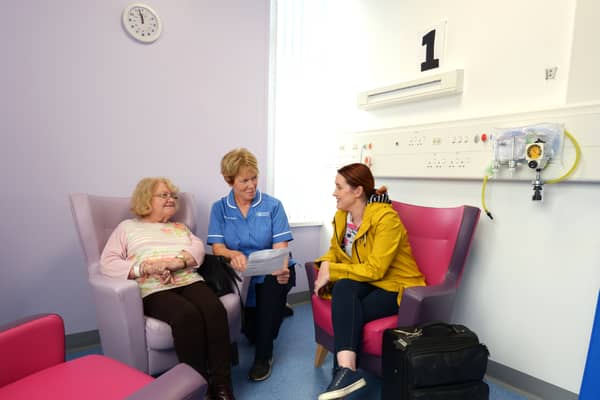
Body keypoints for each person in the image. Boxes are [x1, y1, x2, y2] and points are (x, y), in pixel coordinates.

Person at [100, 177, 235, 400]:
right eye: (164, 195)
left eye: (172, 196)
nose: (171, 199)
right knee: (186, 316)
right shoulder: (127, 228)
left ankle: (222, 385)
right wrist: (144, 267)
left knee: (215, 311)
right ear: (146, 199)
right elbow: (108, 262)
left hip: (188, 280)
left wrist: (177, 263)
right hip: (153, 288)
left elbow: (198, 249)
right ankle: (197, 386)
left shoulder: (180, 228)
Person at [313, 163, 426, 400]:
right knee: (343, 289)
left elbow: (376, 269)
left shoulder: (387, 219)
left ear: (357, 191)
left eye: (338, 187)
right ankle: (347, 372)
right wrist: (325, 265)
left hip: (397, 286)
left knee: (347, 310)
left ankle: (342, 375)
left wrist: (331, 270)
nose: (334, 192)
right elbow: (334, 251)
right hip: (369, 282)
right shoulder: (342, 216)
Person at [207, 148, 295, 382]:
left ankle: (263, 358)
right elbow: (217, 247)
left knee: (266, 322)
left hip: (272, 271)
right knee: (252, 334)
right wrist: (231, 253)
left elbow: (281, 247)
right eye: (244, 180)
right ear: (230, 180)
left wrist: (282, 267)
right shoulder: (220, 209)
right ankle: (277, 310)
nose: (251, 185)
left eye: (254, 178)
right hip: (240, 275)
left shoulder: (273, 206)